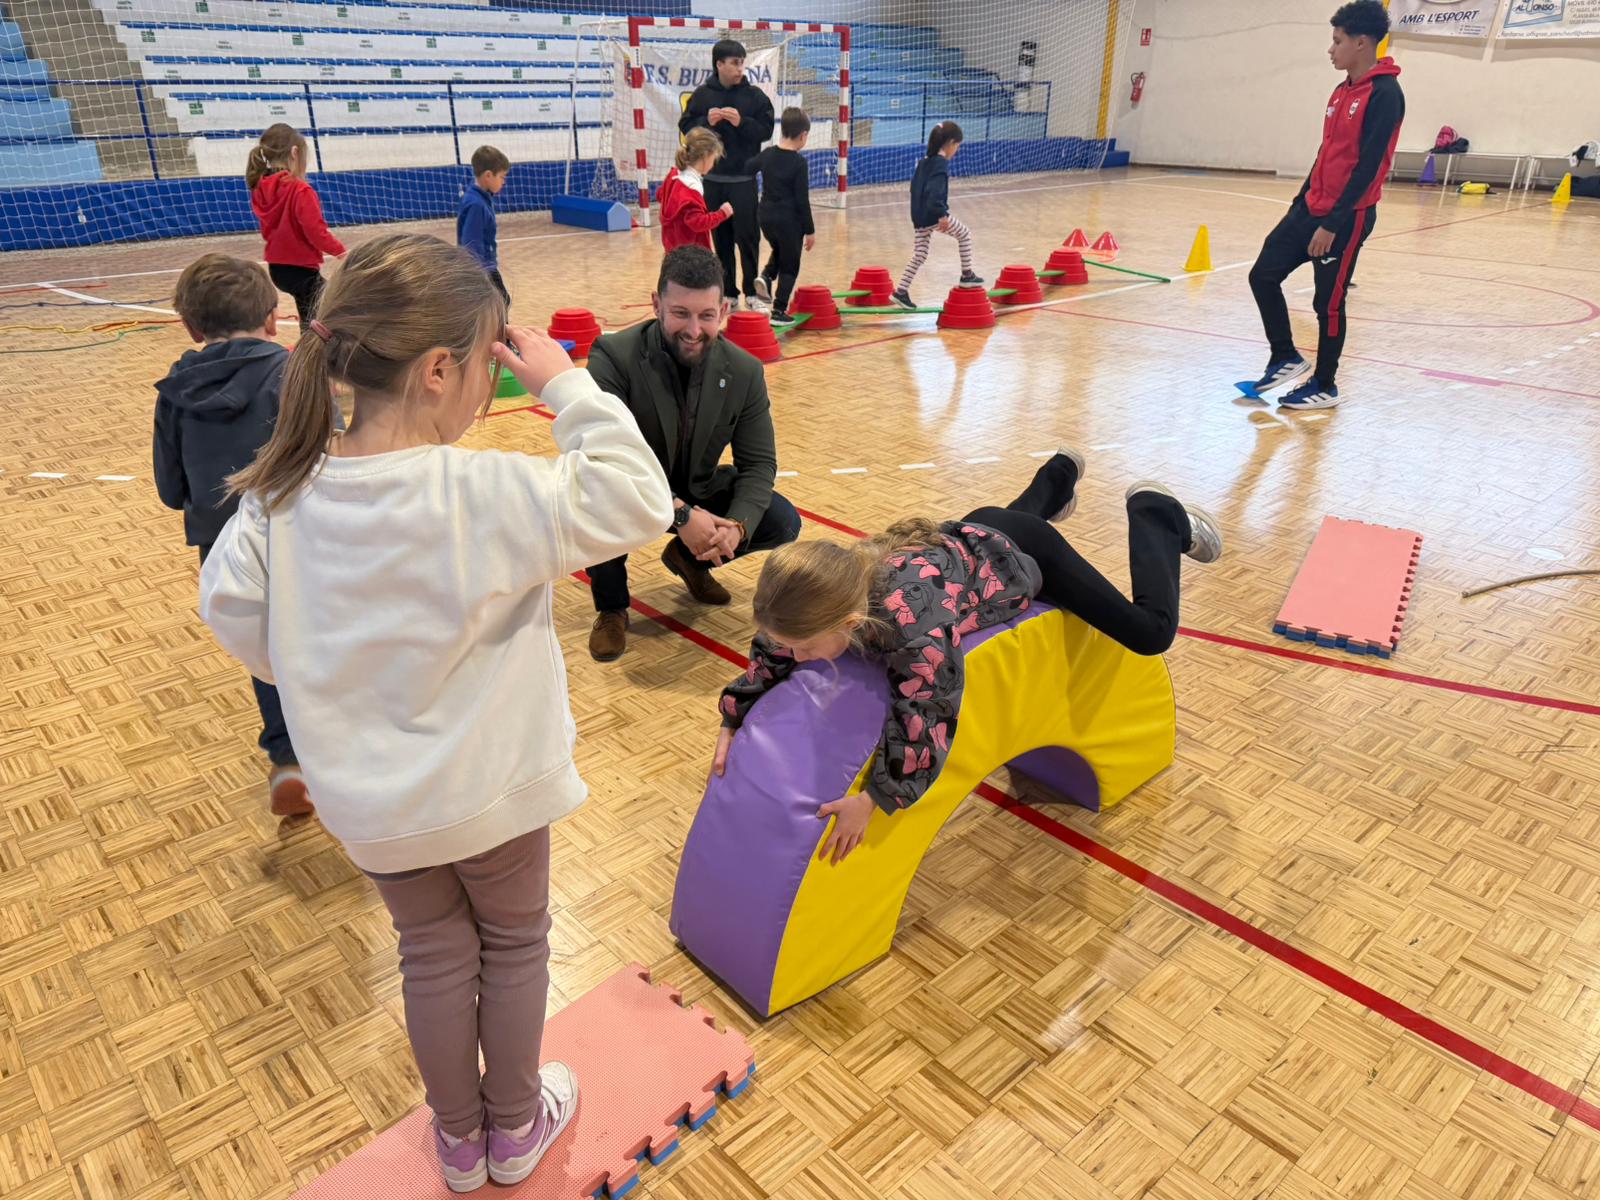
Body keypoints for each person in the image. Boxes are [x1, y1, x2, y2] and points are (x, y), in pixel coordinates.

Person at [197, 233, 673, 1193]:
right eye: (488, 367)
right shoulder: (489, 491)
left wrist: (314, 669)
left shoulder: (278, 500)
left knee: (432, 954)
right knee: (515, 945)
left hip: (375, 808)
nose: (492, 389)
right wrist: (566, 386)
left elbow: (234, 614)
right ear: (439, 371)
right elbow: (639, 500)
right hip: (495, 791)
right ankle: (515, 1125)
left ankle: (460, 1142)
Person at [712, 449, 1223, 863]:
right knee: (1004, 525)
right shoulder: (821, 592)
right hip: (973, 533)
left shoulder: (912, 624)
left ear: (850, 623)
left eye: (805, 648)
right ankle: (1059, 473)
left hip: (1025, 555)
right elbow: (774, 642)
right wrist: (735, 714)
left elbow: (929, 708)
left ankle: (1155, 515)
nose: (797, 657)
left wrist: (875, 798)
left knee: (1149, 632)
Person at [154, 253, 325, 819]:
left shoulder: (175, 389)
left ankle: (289, 759)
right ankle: (343, 741)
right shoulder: (295, 374)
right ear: (273, 318)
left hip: (223, 545)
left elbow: (169, 487)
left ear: (191, 327)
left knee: (264, 649)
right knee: (322, 636)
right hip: (303, 535)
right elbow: (334, 457)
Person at [583, 245, 801, 663]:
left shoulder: (744, 371)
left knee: (781, 520)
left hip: (698, 488)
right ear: (656, 305)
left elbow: (759, 464)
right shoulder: (613, 357)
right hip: (629, 488)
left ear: (723, 310)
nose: (694, 330)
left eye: (706, 315)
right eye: (680, 313)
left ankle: (689, 561)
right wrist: (680, 514)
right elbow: (603, 455)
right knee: (595, 493)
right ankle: (611, 607)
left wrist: (736, 527)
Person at [1246, 0, 1404, 411]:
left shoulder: (1385, 94)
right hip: (1309, 208)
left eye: (1337, 41)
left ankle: (1325, 385)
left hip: (1345, 218)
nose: (1331, 50)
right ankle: (1284, 356)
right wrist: (1300, 201)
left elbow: (1369, 166)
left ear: (1362, 43)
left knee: (1327, 304)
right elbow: (1327, 153)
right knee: (1262, 275)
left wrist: (1332, 223)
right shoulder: (1341, 90)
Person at [678, 39, 775, 310]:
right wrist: (704, 122)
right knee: (721, 241)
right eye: (734, 63)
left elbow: (766, 130)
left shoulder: (755, 96)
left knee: (748, 239)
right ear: (719, 64)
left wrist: (741, 122)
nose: (740, 68)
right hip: (713, 182)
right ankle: (728, 293)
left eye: (742, 62)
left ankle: (752, 293)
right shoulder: (702, 95)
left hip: (743, 182)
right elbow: (686, 126)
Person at [247, 123, 346, 331]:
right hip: (301, 270)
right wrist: (340, 252)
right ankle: (313, 348)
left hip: (277, 269)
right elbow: (315, 231)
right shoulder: (300, 190)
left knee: (310, 313)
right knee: (326, 308)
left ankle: (309, 343)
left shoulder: (260, 187)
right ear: (294, 152)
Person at [892, 121, 982, 310]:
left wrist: (919, 216)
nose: (956, 150)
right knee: (964, 234)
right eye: (957, 146)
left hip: (919, 217)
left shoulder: (924, 162)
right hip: (933, 215)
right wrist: (941, 214)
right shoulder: (940, 164)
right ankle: (967, 275)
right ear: (950, 143)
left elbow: (914, 189)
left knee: (920, 254)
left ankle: (900, 292)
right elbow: (935, 191)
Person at [751, 108, 816, 326]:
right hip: (789, 221)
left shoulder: (767, 154)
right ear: (803, 135)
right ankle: (779, 310)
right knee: (790, 265)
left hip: (765, 217)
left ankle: (766, 276)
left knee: (780, 250)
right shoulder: (799, 163)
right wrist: (810, 230)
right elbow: (802, 200)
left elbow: (748, 168)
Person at [658, 127, 734, 253]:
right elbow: (698, 222)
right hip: (691, 252)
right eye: (713, 159)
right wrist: (722, 213)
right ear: (705, 156)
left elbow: (660, 194)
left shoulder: (674, 174)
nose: (713, 165)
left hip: (672, 246)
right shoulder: (691, 187)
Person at [459, 145, 512, 309]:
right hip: (482, 269)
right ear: (488, 176)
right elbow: (471, 243)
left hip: (486, 265)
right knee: (499, 304)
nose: (503, 182)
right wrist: (479, 275)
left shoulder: (481, 198)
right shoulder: (476, 204)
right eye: (502, 177)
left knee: (502, 302)